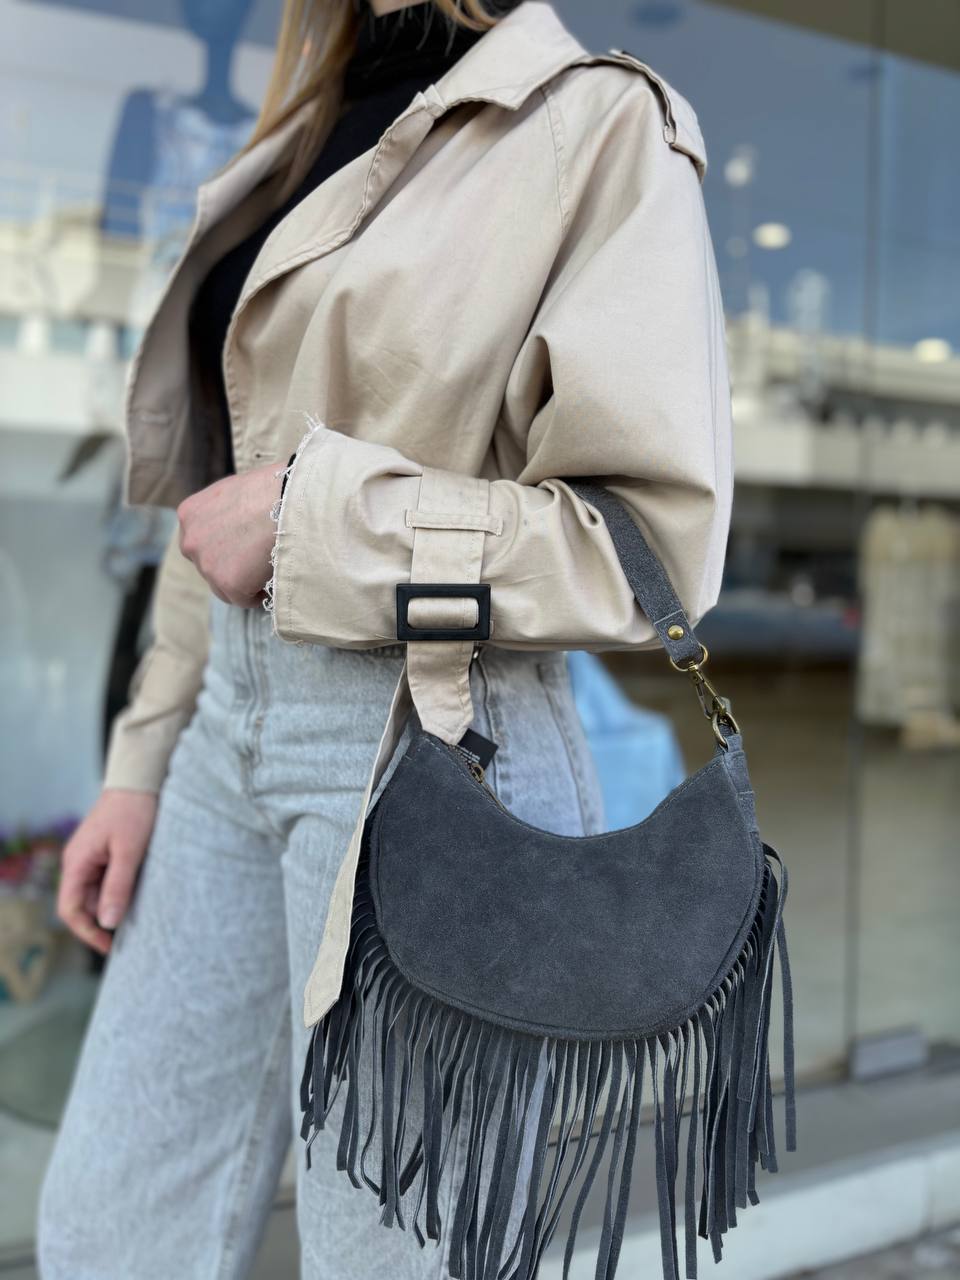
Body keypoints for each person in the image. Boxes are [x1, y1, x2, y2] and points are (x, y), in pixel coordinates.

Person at [36, 0, 733, 1276]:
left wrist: (316, 516)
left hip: (433, 734)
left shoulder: (594, 122)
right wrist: (139, 762)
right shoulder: (310, 124)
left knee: (395, 1254)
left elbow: (645, 547)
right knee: (108, 1223)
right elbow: (218, 499)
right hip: (223, 732)